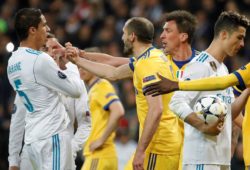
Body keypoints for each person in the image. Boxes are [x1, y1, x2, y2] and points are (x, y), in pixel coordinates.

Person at [66, 16, 216, 170]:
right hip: (163, 141)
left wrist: (140, 150)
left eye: (124, 33)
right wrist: (79, 58)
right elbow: (112, 71)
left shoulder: (148, 64)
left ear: (132, 36)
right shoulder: (151, 57)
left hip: (159, 146)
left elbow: (156, 109)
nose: (122, 37)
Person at [143, 11, 250, 170]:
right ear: (224, 35)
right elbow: (176, 102)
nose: (242, 44)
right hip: (201, 158)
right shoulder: (199, 65)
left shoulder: (224, 69)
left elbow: (229, 112)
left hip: (220, 158)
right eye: (239, 37)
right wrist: (202, 126)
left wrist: (248, 90)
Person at [7, 8, 83, 170]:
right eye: (44, 25)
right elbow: (75, 90)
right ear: (32, 30)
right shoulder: (40, 60)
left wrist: (13, 158)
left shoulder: (12, 63)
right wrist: (70, 63)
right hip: (52, 138)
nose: (48, 29)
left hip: (32, 141)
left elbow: (18, 114)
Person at [79, 47, 125, 170]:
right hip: (103, 155)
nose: (81, 68)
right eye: (79, 65)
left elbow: (118, 110)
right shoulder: (93, 89)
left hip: (100, 155)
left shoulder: (101, 85)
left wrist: (101, 140)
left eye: (86, 63)